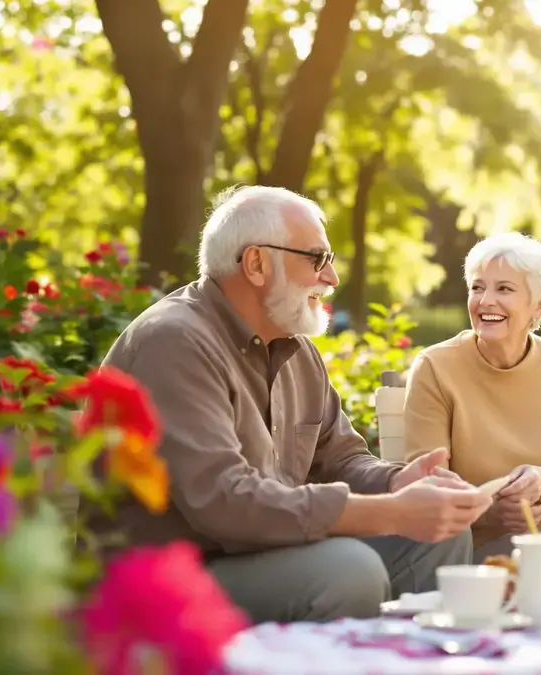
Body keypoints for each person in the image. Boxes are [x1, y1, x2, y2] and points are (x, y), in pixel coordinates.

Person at [90, 185, 491, 624]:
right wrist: (392, 512)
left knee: (440, 537)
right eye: (316, 259)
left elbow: (341, 459)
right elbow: (224, 502)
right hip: (170, 576)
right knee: (347, 573)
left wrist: (398, 483)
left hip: (261, 552)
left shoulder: (296, 348)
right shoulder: (174, 341)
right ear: (257, 263)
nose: (333, 278)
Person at [403, 232, 541, 563]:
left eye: (504, 289)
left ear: (540, 304)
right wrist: (492, 513)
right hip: (484, 540)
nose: (485, 301)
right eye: (477, 287)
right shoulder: (436, 366)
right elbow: (429, 486)